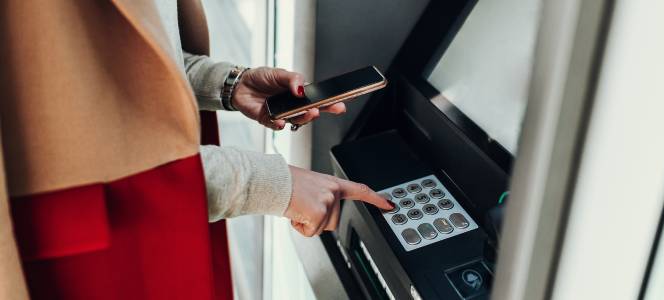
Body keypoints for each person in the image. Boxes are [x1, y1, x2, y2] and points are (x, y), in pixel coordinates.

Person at [0, 0, 393, 299]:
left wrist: (227, 84)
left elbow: (117, 60)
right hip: (77, 260)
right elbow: (56, 131)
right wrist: (269, 183)